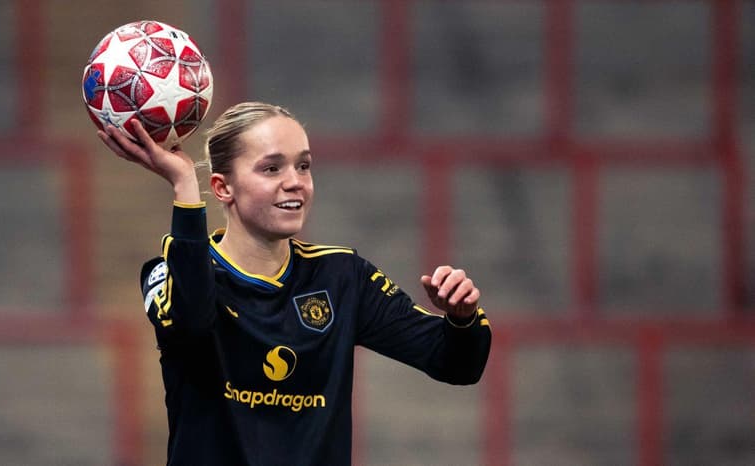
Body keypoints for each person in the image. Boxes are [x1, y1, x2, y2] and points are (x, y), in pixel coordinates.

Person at [98, 102, 492, 466]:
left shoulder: (342, 277)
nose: (295, 182)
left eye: (303, 166)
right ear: (222, 187)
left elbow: (457, 364)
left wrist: (462, 318)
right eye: (272, 169)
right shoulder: (169, 273)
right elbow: (192, 323)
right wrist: (185, 184)